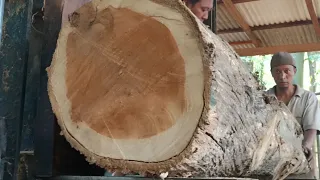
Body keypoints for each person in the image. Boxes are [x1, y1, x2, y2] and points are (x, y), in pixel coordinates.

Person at [265, 52, 320, 179]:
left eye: (286, 71)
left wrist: (305, 147)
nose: (282, 76)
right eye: (277, 71)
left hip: (301, 165)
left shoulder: (308, 98)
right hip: (272, 166)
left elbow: (311, 128)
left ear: (294, 71)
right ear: (272, 74)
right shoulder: (264, 99)